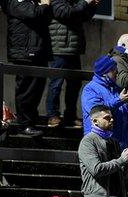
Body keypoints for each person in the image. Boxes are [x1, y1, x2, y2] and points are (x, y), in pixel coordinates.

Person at [0, 0, 53, 137]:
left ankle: (31, 121)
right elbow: (33, 13)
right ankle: (24, 124)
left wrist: (44, 7)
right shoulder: (15, 3)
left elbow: (47, 18)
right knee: (26, 90)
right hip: (25, 52)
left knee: (37, 88)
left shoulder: (34, 3)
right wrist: (45, 5)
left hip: (39, 51)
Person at [46, 0, 100, 128]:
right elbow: (66, 13)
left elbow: (84, 16)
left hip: (74, 49)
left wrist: (92, 6)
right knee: (56, 83)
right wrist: (85, 2)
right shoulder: (57, 1)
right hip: (59, 48)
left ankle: (70, 115)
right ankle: (52, 115)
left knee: (74, 84)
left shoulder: (76, 2)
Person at [81, 55, 128, 148]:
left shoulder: (116, 88)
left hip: (121, 145)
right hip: (101, 145)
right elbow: (97, 111)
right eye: (113, 70)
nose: (117, 72)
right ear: (104, 73)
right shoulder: (90, 89)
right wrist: (119, 100)